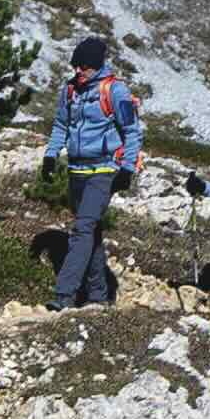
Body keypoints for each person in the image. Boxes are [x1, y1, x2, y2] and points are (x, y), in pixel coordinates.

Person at [46, 30, 141, 308]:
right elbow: (60, 125)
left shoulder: (115, 91)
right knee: (91, 231)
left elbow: (132, 132)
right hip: (76, 170)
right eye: (75, 65)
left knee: (82, 228)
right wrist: (50, 155)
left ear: (97, 66)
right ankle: (99, 295)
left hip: (104, 171)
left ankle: (64, 295)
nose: (78, 71)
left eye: (84, 66)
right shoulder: (70, 90)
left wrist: (126, 169)